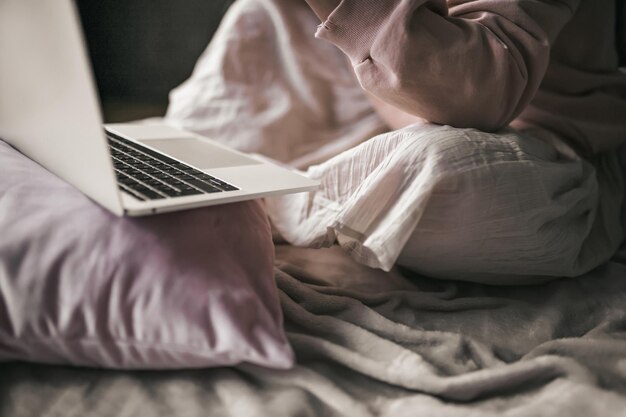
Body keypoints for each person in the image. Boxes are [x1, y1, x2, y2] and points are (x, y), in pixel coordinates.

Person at [167, 0, 626, 284]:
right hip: (371, 100)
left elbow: (480, 96)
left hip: (543, 144)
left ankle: (270, 197)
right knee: (259, 16)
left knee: (445, 175)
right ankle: (339, 197)